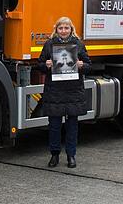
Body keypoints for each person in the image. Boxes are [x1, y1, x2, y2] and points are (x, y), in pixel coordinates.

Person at [37, 17, 91, 168]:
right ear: (56, 29)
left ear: (71, 29)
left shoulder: (78, 45)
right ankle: (54, 155)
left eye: (66, 28)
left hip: (73, 91)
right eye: (61, 28)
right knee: (54, 126)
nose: (63, 31)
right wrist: (46, 64)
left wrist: (82, 65)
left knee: (72, 126)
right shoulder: (49, 44)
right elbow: (39, 64)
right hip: (54, 91)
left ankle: (71, 156)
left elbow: (88, 65)